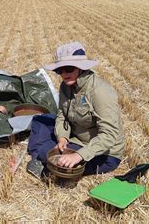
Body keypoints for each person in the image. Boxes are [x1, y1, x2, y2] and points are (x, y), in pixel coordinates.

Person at [27, 41, 125, 179]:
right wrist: (62, 138)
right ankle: (45, 157)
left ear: (81, 68)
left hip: (103, 153)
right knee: (40, 120)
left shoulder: (100, 92)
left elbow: (109, 135)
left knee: (53, 156)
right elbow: (62, 116)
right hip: (75, 139)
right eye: (59, 70)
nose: (64, 74)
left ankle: (44, 161)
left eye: (69, 69)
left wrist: (78, 155)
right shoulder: (65, 86)